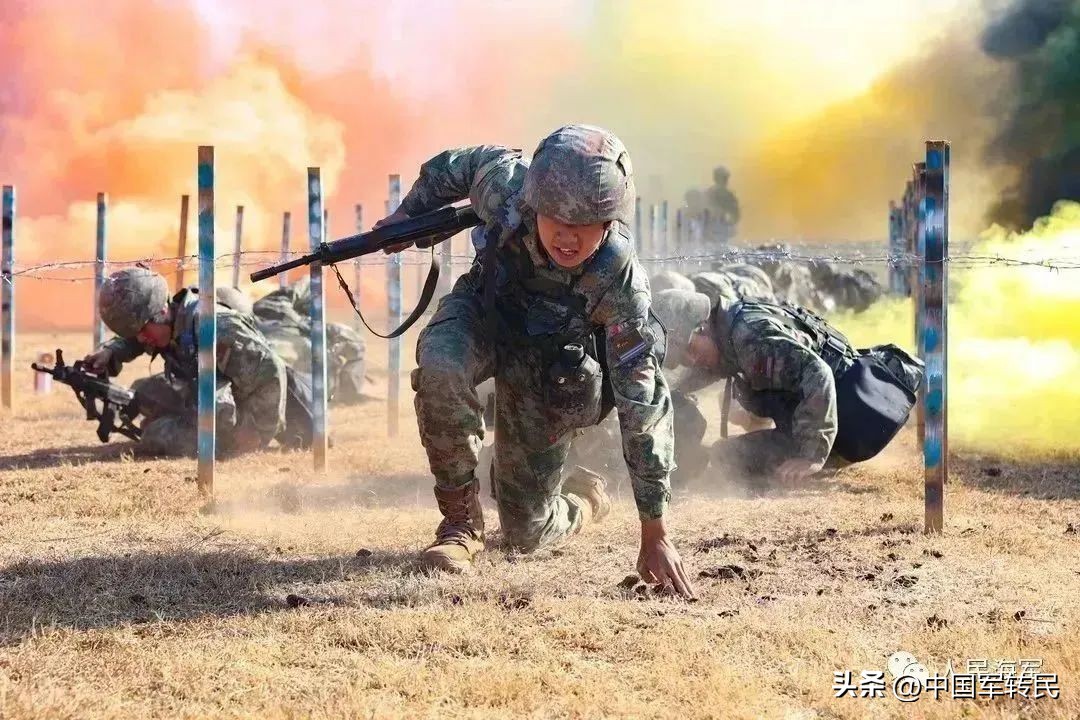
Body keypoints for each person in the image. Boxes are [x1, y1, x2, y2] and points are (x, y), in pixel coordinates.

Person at [375, 124, 694, 597]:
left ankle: (585, 497)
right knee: (441, 364)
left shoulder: (620, 282)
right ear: (534, 205)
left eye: (584, 225)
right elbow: (455, 167)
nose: (568, 236)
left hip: (549, 368)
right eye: (555, 221)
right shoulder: (505, 190)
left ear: (608, 222)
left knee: (526, 534)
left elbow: (643, 402)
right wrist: (407, 214)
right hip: (485, 314)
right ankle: (460, 527)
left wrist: (656, 532)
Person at [654, 288, 922, 485]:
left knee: (728, 460)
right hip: (832, 413)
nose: (691, 361)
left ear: (702, 327)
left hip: (849, 422)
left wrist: (811, 455)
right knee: (726, 455)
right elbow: (699, 374)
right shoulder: (728, 328)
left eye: (690, 350)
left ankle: (822, 459)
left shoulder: (749, 338)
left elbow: (819, 374)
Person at [83, 268, 288, 456]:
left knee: (155, 436)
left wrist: (255, 434)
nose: (141, 339)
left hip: (240, 412)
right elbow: (136, 337)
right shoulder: (169, 320)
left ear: (162, 311)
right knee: (144, 393)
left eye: (142, 331)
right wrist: (111, 351)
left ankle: (215, 436)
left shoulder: (215, 327)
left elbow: (270, 369)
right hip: (208, 393)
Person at [253, 277, 373, 404]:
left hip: (268, 367)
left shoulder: (269, 309)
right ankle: (348, 394)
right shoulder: (298, 320)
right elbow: (355, 344)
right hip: (280, 372)